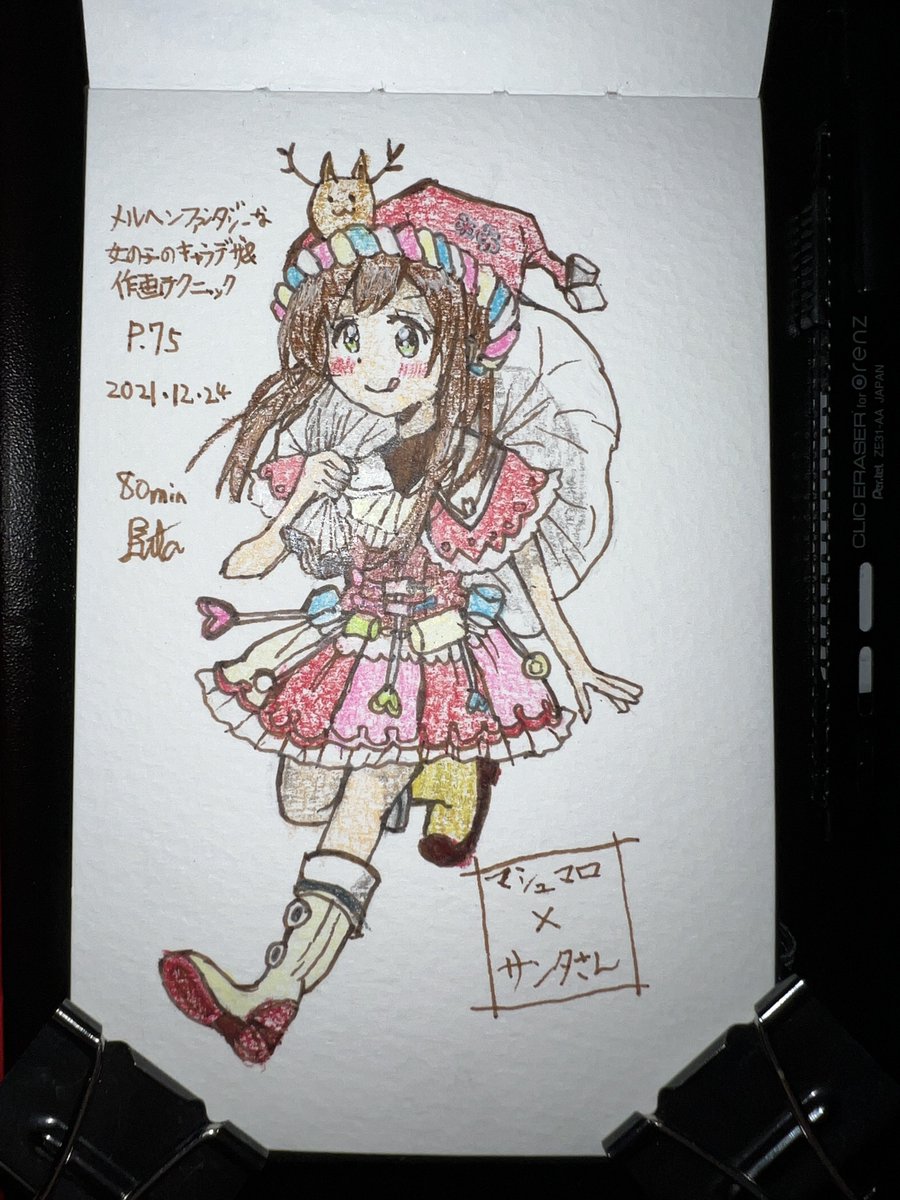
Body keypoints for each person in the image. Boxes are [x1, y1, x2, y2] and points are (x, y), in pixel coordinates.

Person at [160, 192, 641, 1065]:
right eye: (350, 336)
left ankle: (275, 992)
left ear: (457, 348)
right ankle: (448, 770)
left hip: (433, 657)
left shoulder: (482, 465)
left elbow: (529, 570)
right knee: (302, 799)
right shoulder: (338, 454)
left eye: (406, 336)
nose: (373, 365)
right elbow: (252, 563)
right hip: (345, 647)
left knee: (360, 795)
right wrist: (298, 504)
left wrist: (577, 664)